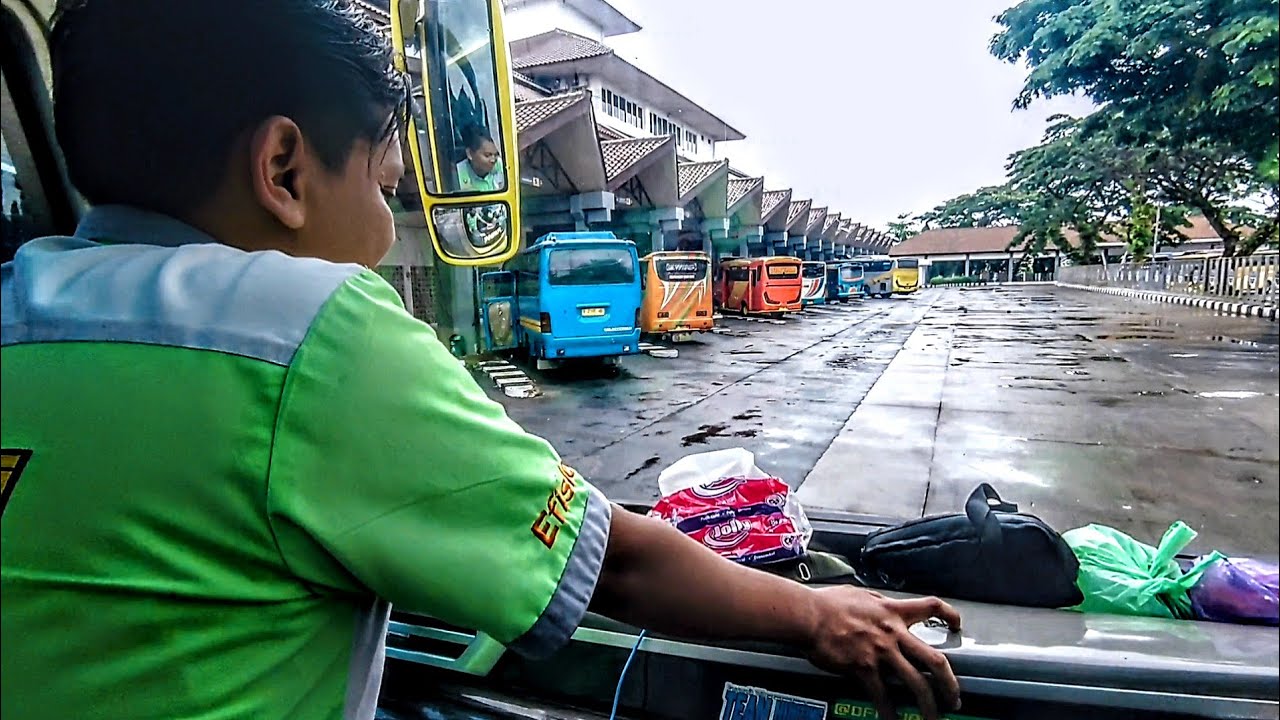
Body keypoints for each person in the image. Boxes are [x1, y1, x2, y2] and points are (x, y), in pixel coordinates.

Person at [0, 3, 961, 720]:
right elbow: (611, 564)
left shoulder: (17, 300)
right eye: (384, 184)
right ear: (285, 172)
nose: (387, 225)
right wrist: (815, 617)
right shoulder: (308, 328)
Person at [455, 123, 505, 192]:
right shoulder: (457, 174)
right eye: (487, 155)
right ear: (469, 154)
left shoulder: (502, 166)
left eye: (496, 154)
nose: (493, 160)